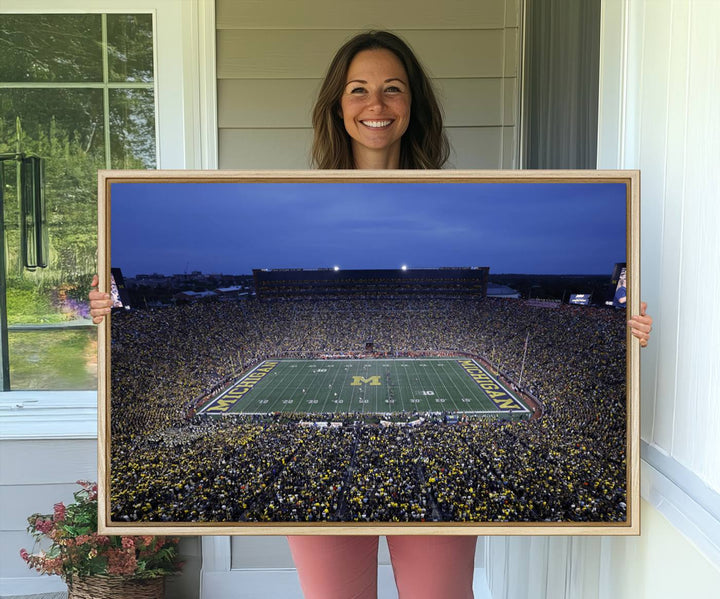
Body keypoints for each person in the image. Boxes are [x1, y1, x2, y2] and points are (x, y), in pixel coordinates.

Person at [89, 30, 653, 599]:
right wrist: (108, 316)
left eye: (393, 89)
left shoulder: (456, 195)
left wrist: (622, 337)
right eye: (358, 89)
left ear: (414, 104)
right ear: (338, 104)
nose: (376, 105)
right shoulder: (296, 197)